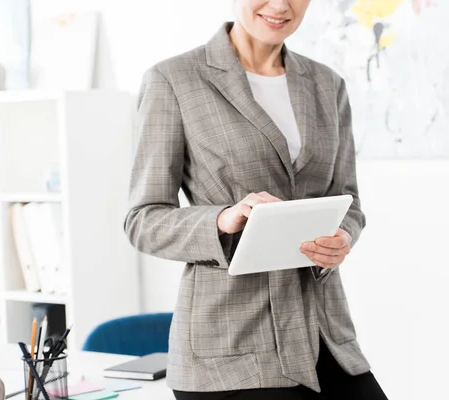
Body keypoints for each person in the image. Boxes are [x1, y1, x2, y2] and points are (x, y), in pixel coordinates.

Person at [124, 1, 388, 399]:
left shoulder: (327, 84)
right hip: (229, 347)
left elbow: (348, 200)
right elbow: (143, 220)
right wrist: (223, 218)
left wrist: (343, 238)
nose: (281, 5)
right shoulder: (174, 80)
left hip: (325, 333)